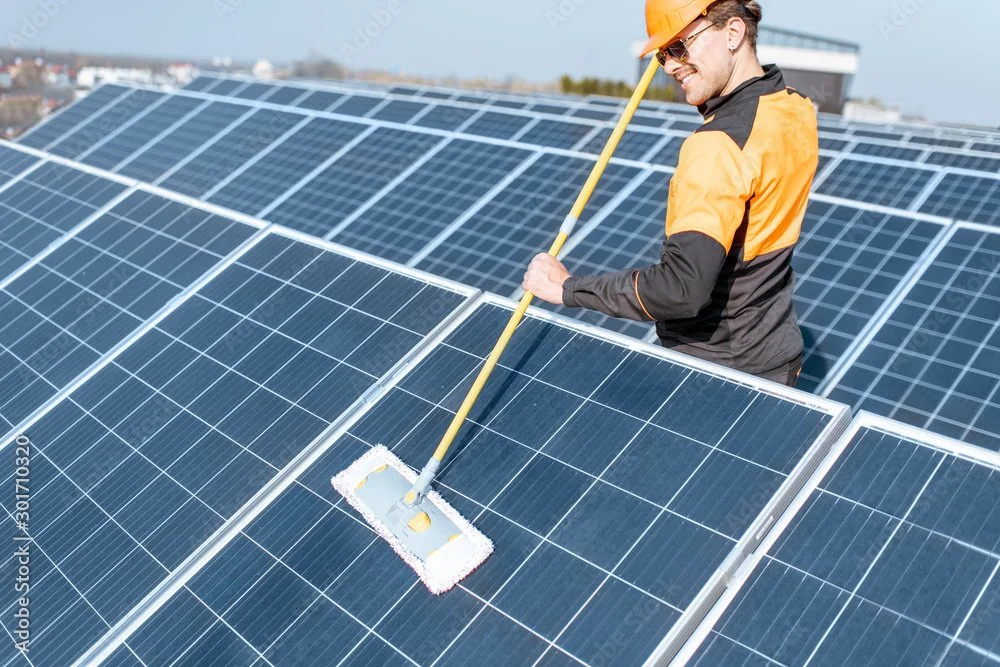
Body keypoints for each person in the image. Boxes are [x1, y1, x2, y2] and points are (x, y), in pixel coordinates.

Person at [522, 0, 819, 387]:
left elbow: (681, 290)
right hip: (777, 360)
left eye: (679, 47)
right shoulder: (795, 108)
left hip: (715, 375)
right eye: (662, 55)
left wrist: (567, 288)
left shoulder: (716, 147)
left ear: (733, 33)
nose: (670, 66)